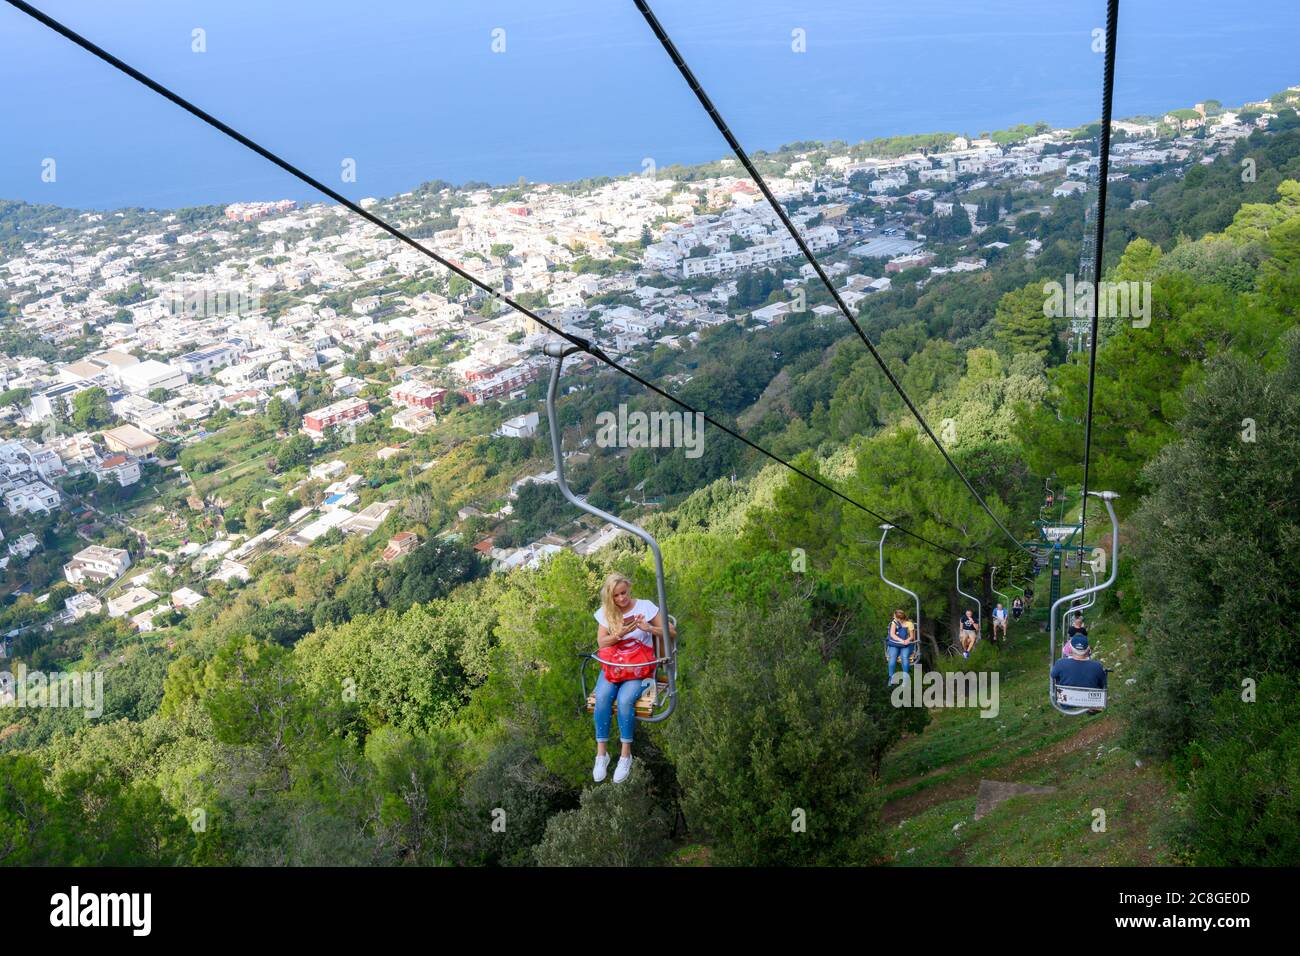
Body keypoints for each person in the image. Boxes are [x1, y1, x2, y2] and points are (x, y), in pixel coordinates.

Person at [591, 572, 675, 784]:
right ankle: (602, 753)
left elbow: (671, 631)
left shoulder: (645, 607)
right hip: (616, 665)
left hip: (638, 666)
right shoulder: (607, 613)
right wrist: (619, 633)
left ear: (629, 589)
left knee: (626, 700)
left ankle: (625, 754)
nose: (621, 599)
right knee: (602, 697)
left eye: (624, 593)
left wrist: (649, 628)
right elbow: (602, 643)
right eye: (616, 596)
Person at [886, 608, 916, 682]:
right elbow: (892, 634)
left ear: (899, 618)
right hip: (896, 643)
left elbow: (912, 637)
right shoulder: (894, 623)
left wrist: (906, 641)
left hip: (907, 644)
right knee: (892, 657)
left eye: (895, 616)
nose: (893, 618)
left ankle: (905, 678)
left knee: (904, 657)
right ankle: (891, 677)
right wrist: (901, 640)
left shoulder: (909, 624)